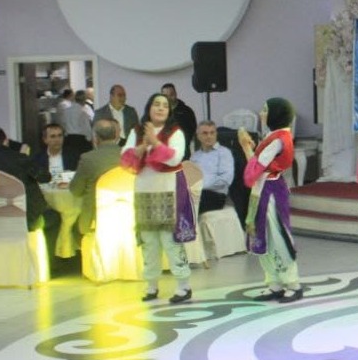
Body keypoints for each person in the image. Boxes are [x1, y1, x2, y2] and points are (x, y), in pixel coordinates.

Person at [121, 93, 196, 304]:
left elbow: (175, 157)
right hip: (144, 191)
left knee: (170, 240)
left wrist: (155, 142)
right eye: (156, 104)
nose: (161, 108)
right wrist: (143, 146)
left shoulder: (175, 131)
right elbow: (126, 157)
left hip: (169, 190)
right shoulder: (137, 131)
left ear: (169, 111)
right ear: (149, 107)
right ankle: (151, 285)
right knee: (148, 241)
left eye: (165, 105)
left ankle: (183, 286)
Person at [239, 99, 303, 303]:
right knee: (264, 236)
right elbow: (259, 166)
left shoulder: (278, 139)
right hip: (265, 189)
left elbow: (254, 171)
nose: (261, 113)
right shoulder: (275, 136)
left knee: (277, 237)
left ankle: (292, 283)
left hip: (270, 191)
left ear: (276, 114)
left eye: (265, 110)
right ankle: (274, 282)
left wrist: (245, 147)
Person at [0, 127, 58, 249]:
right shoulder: (21, 158)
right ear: (6, 141)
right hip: (27, 220)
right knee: (55, 217)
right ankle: (50, 259)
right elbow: (45, 177)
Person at [69, 118, 124, 234]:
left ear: (95, 137)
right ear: (116, 135)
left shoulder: (88, 158)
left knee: (70, 227)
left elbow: (76, 191)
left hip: (96, 220)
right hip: (125, 216)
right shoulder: (128, 155)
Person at [190, 120, 234, 214]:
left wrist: (201, 187)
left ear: (216, 134)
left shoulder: (224, 153)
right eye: (205, 133)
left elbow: (225, 180)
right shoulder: (195, 156)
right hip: (197, 194)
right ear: (198, 136)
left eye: (212, 133)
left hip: (215, 194)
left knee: (190, 207)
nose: (209, 136)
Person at [161, 83, 198, 157]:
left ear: (176, 94)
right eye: (166, 96)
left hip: (182, 152)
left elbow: (192, 129)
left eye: (171, 94)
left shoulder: (186, 111)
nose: (169, 98)